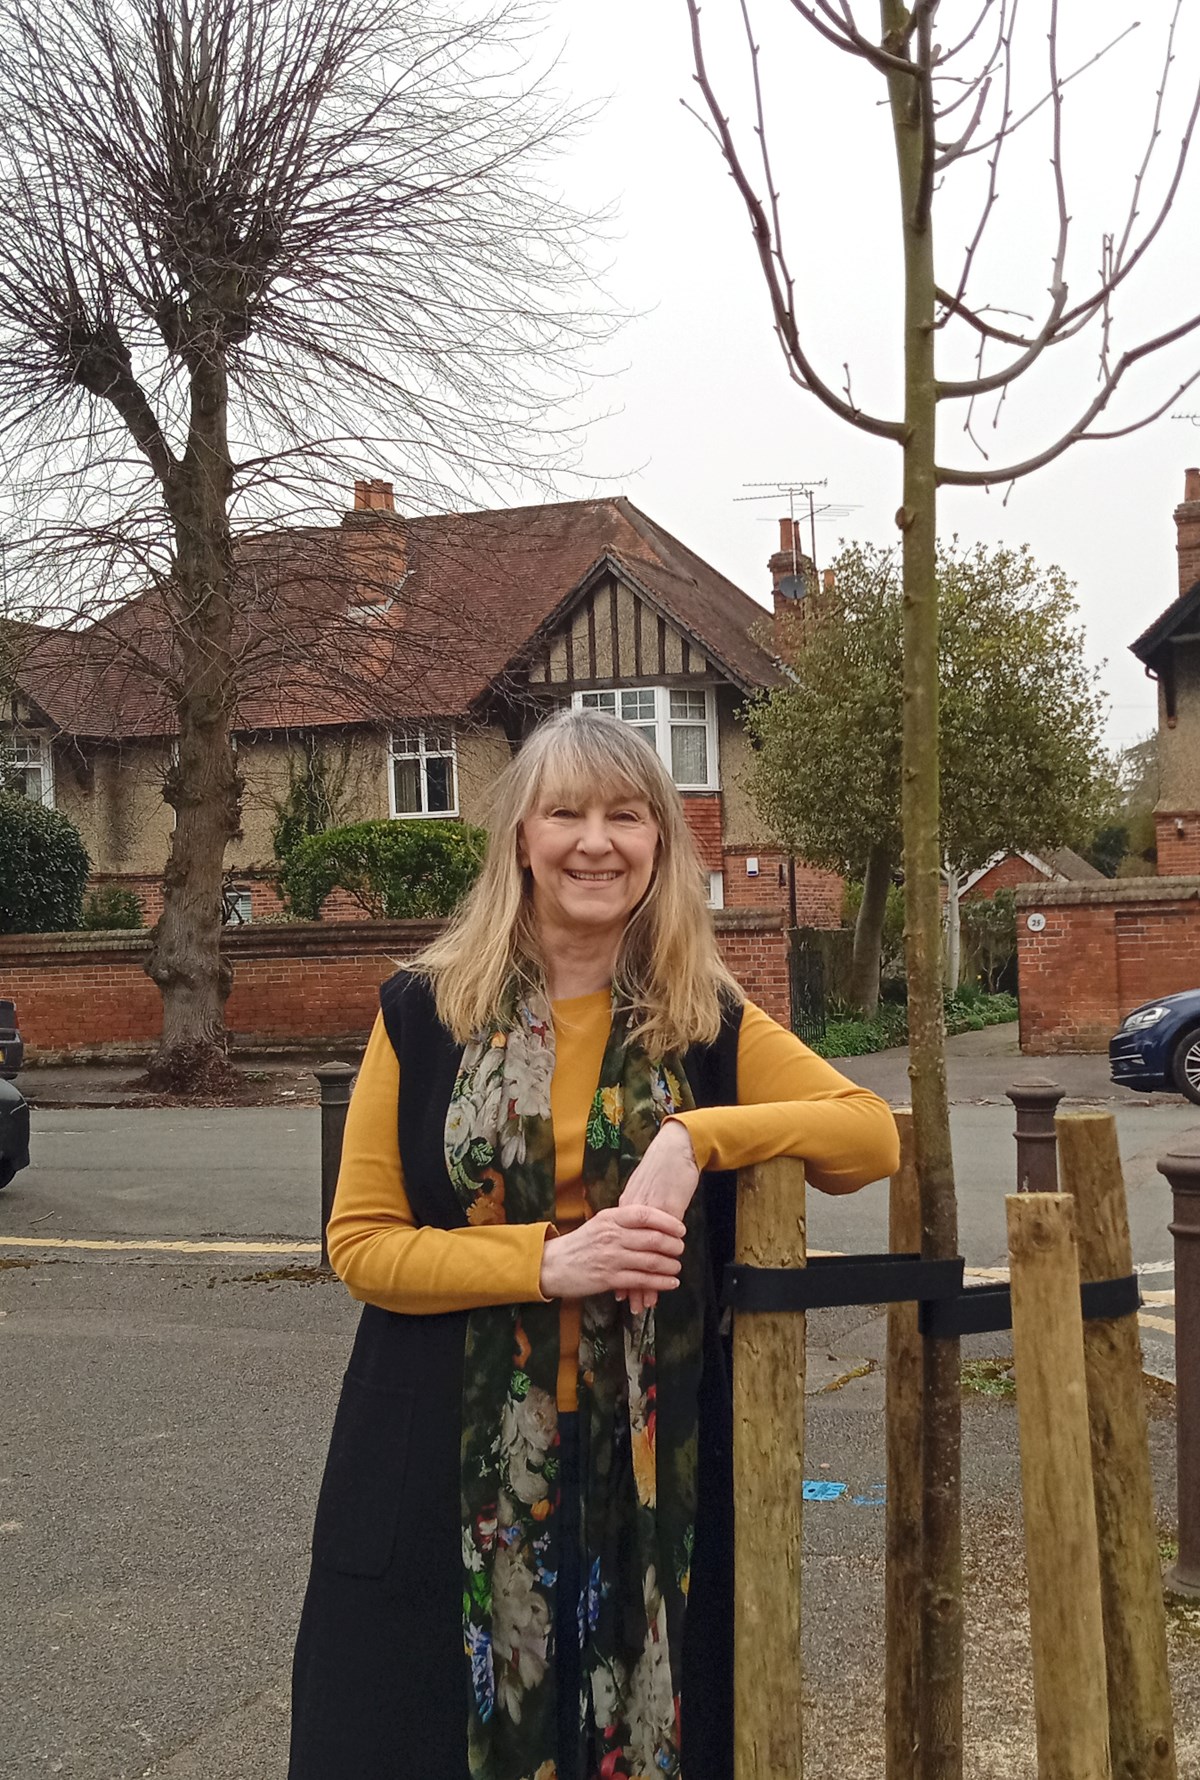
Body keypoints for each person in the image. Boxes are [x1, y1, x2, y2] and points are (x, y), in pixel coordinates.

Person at [289, 707, 898, 1780]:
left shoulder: (698, 1020)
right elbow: (364, 1246)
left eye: (626, 815)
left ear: (660, 842)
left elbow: (866, 1136)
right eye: (564, 812)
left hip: (646, 1471)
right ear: (521, 836)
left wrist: (695, 1136)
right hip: (443, 1461)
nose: (594, 841)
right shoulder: (424, 1013)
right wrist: (544, 1261)